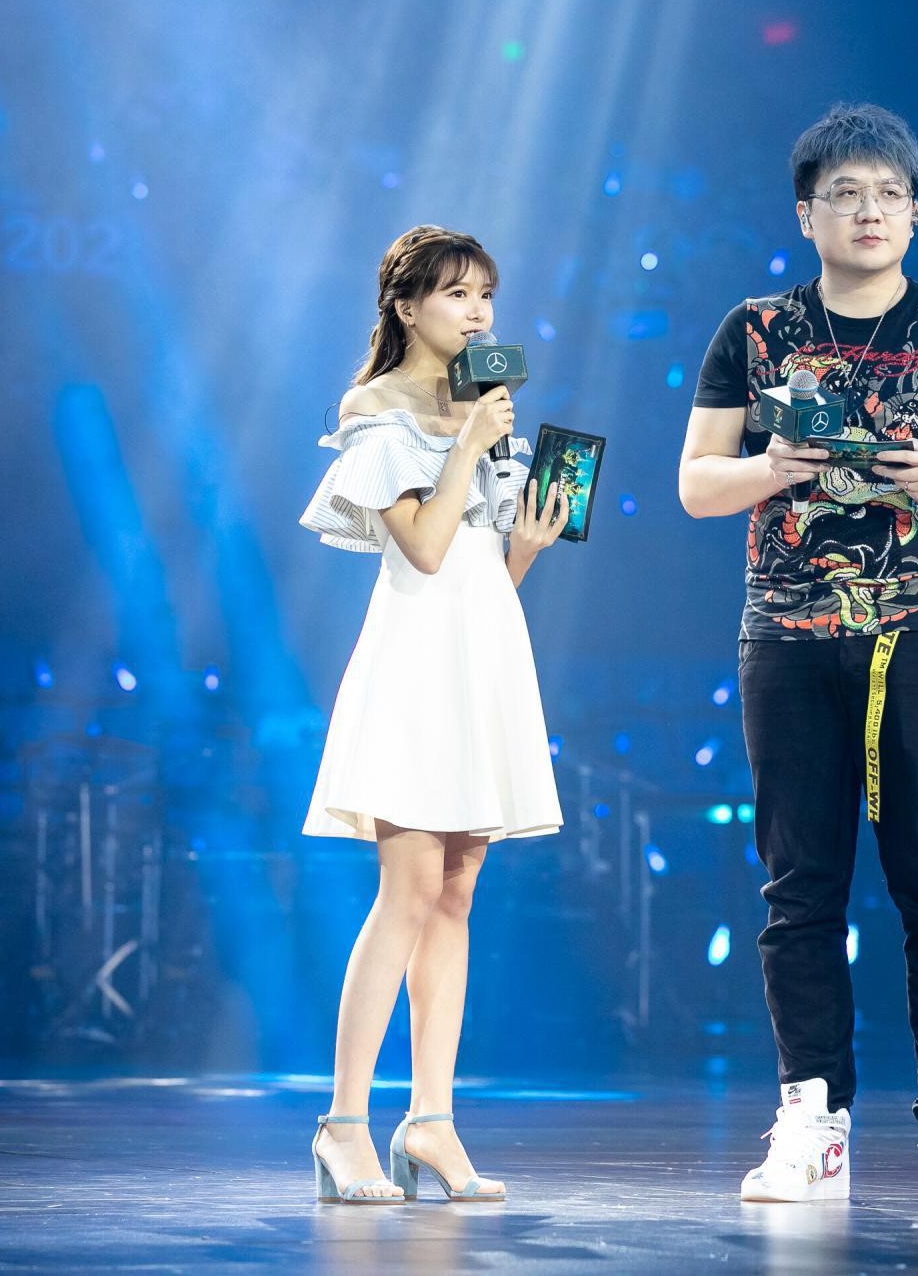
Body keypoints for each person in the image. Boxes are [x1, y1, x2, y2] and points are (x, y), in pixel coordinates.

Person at [678, 104, 918, 1208]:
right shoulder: (753, 330)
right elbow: (696, 482)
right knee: (799, 888)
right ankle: (812, 1115)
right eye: (845, 193)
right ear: (807, 214)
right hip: (786, 637)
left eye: (888, 193)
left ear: (915, 213)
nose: (869, 210)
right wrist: (774, 469)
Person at [297, 225, 570, 1203]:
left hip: (481, 652)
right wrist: (465, 444)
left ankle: (431, 1120)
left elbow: (476, 568)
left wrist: (528, 544)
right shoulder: (376, 407)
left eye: (486, 294)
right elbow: (418, 546)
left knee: (457, 889)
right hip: (414, 660)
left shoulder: (482, 409)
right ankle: (342, 1125)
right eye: (457, 294)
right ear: (407, 307)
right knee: (407, 888)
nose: (478, 312)